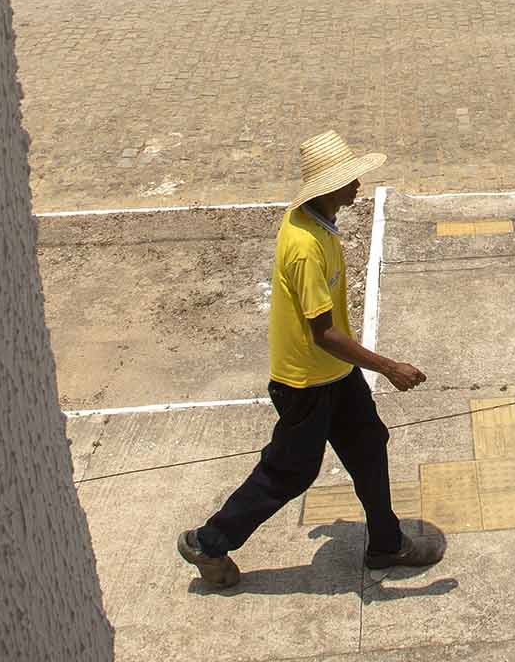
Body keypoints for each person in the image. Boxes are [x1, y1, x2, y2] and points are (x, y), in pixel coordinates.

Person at [176, 130, 444, 588]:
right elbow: (324, 334)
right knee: (290, 472)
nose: (358, 184)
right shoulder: (304, 246)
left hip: (334, 376)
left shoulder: (319, 225)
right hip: (305, 383)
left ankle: (386, 543)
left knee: (368, 445)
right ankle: (210, 541)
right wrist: (388, 366)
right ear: (326, 189)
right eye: (349, 179)